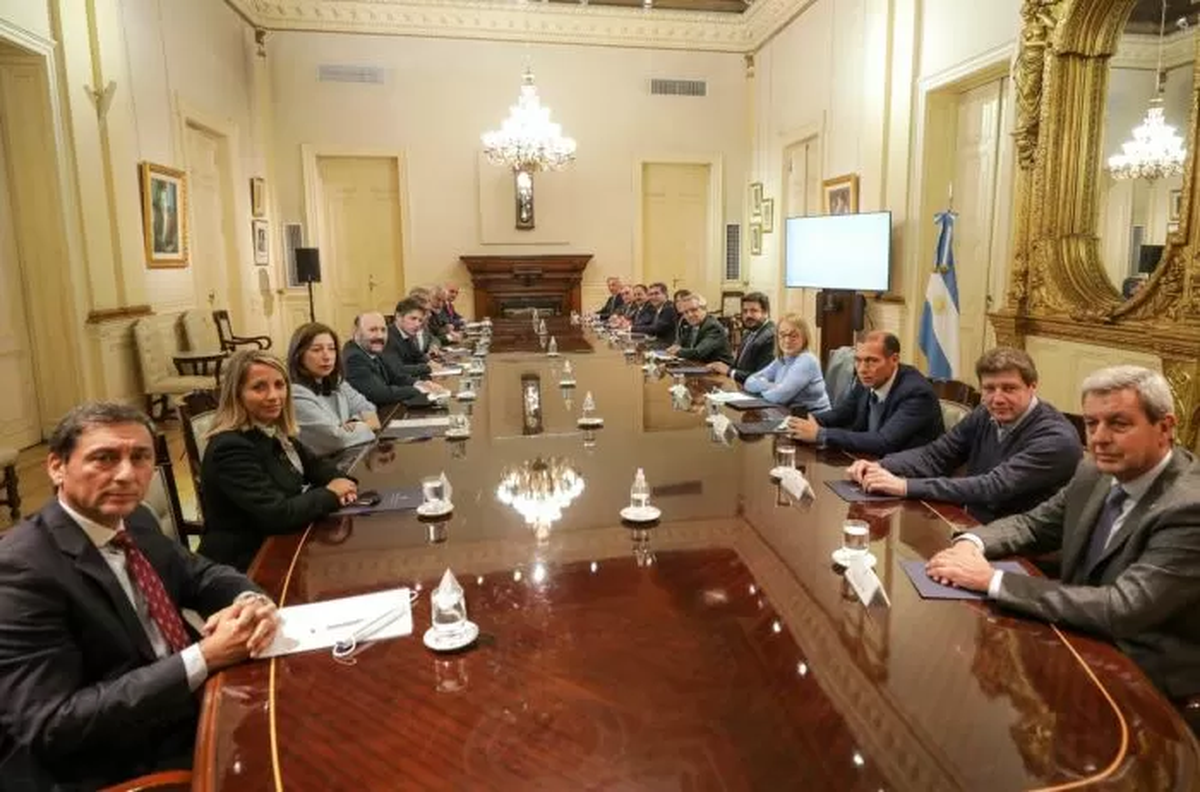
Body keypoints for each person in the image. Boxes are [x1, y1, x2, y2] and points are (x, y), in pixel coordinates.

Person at [0, 403, 279, 789]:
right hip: (122, 759)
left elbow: (201, 574)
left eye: (140, 457)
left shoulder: (135, 519)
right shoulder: (20, 569)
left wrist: (251, 602)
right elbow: (52, 723)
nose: (126, 474)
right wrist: (204, 656)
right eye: (104, 458)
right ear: (57, 467)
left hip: (196, 703)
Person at [926, 366, 1200, 736]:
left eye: (1118, 424)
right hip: (1076, 633)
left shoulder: (1189, 506)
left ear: (1165, 428)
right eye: (1091, 424)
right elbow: (1033, 525)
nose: (1099, 438)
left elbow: (1124, 608)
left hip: (1147, 670)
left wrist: (991, 580)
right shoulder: (1094, 472)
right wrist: (971, 544)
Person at [846, 347, 1081, 521]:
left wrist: (904, 486)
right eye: (989, 389)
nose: (997, 398)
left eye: (1009, 388)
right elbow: (936, 455)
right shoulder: (984, 413)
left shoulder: (1056, 439)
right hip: (971, 526)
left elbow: (992, 487)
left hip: (1022, 548)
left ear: (1032, 387)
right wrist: (881, 466)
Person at [198, 350, 357, 571]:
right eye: (259, 387)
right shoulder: (230, 447)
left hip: (279, 546)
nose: (273, 396)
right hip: (243, 565)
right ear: (237, 394)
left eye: (279, 385)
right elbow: (278, 515)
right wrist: (331, 493)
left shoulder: (271, 430)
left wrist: (344, 483)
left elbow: (318, 468)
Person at [787, 331, 943, 455]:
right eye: (858, 360)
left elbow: (884, 441)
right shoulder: (868, 379)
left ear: (894, 360)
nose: (862, 369)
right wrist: (808, 420)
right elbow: (843, 413)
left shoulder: (917, 393)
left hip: (907, 472)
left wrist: (821, 434)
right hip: (869, 461)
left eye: (872, 361)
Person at [287, 322, 380, 457]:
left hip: (347, 457)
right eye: (317, 350)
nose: (327, 356)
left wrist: (355, 422)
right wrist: (366, 425)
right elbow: (336, 440)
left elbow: (369, 409)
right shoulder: (295, 394)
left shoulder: (337, 382)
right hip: (319, 467)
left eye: (332, 349)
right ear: (299, 355)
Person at [343, 312, 443, 410]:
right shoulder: (354, 358)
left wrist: (420, 383)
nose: (380, 336)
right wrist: (420, 389)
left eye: (383, 330)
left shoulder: (371, 349)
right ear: (356, 332)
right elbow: (381, 394)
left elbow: (395, 376)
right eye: (373, 330)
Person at [741, 314, 830, 413]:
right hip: (788, 412)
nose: (787, 340)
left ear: (804, 337)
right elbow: (749, 382)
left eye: (793, 336)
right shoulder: (782, 359)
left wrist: (765, 387)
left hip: (814, 417)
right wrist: (774, 386)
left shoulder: (807, 360)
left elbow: (779, 397)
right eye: (782, 335)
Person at [707, 292, 776, 384]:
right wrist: (720, 367)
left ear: (765, 312)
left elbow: (761, 377)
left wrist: (729, 372)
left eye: (753, 311)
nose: (748, 315)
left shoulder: (770, 337)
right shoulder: (748, 333)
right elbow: (739, 367)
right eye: (745, 311)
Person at [667, 294, 733, 365]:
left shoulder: (713, 327)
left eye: (694, 310)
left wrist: (678, 351)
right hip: (698, 365)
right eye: (686, 312)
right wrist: (674, 347)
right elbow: (681, 344)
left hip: (718, 369)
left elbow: (699, 352)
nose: (690, 315)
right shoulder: (691, 326)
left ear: (704, 309)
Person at [384, 298, 439, 379]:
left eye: (420, 320)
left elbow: (419, 357)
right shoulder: (388, 337)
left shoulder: (406, 335)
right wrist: (427, 368)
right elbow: (397, 370)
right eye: (413, 318)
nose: (417, 324)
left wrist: (431, 363)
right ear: (398, 317)